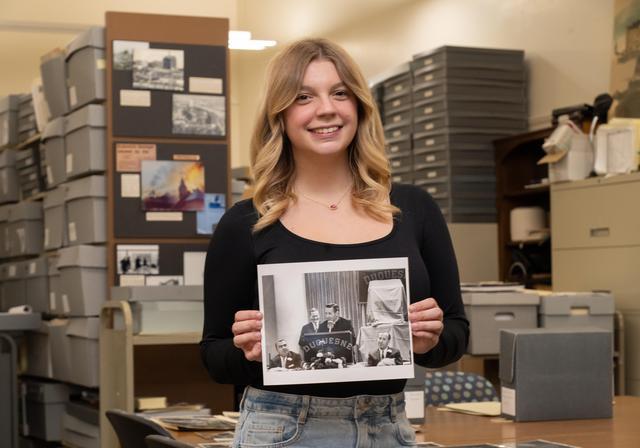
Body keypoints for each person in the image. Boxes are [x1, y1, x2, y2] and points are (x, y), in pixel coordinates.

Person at [201, 38, 469, 447]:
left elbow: (457, 333)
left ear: (359, 105)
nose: (326, 109)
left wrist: (429, 341)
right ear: (281, 115)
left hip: (389, 427)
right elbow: (213, 355)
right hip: (282, 429)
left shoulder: (415, 209)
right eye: (304, 96)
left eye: (340, 93)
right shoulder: (245, 223)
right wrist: (247, 349)